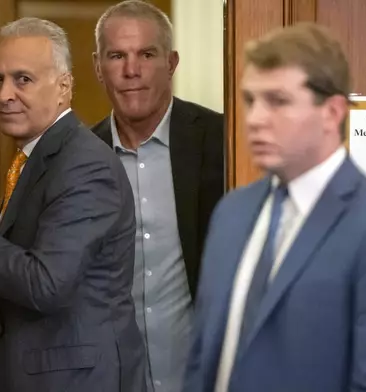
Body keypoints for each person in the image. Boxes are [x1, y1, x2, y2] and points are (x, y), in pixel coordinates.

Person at [184, 22, 366, 392]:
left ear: (332, 112)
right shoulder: (231, 213)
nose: (254, 119)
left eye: (278, 101)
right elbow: (203, 358)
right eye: (250, 100)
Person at [0, 17, 145, 392]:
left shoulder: (84, 165)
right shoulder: (35, 156)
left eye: (23, 80)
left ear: (64, 87)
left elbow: (47, 284)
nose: (4, 95)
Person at [91, 1, 224, 391]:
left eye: (146, 54)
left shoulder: (223, 142)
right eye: (117, 56)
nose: (132, 70)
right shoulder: (76, 157)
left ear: (171, 62)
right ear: (98, 66)